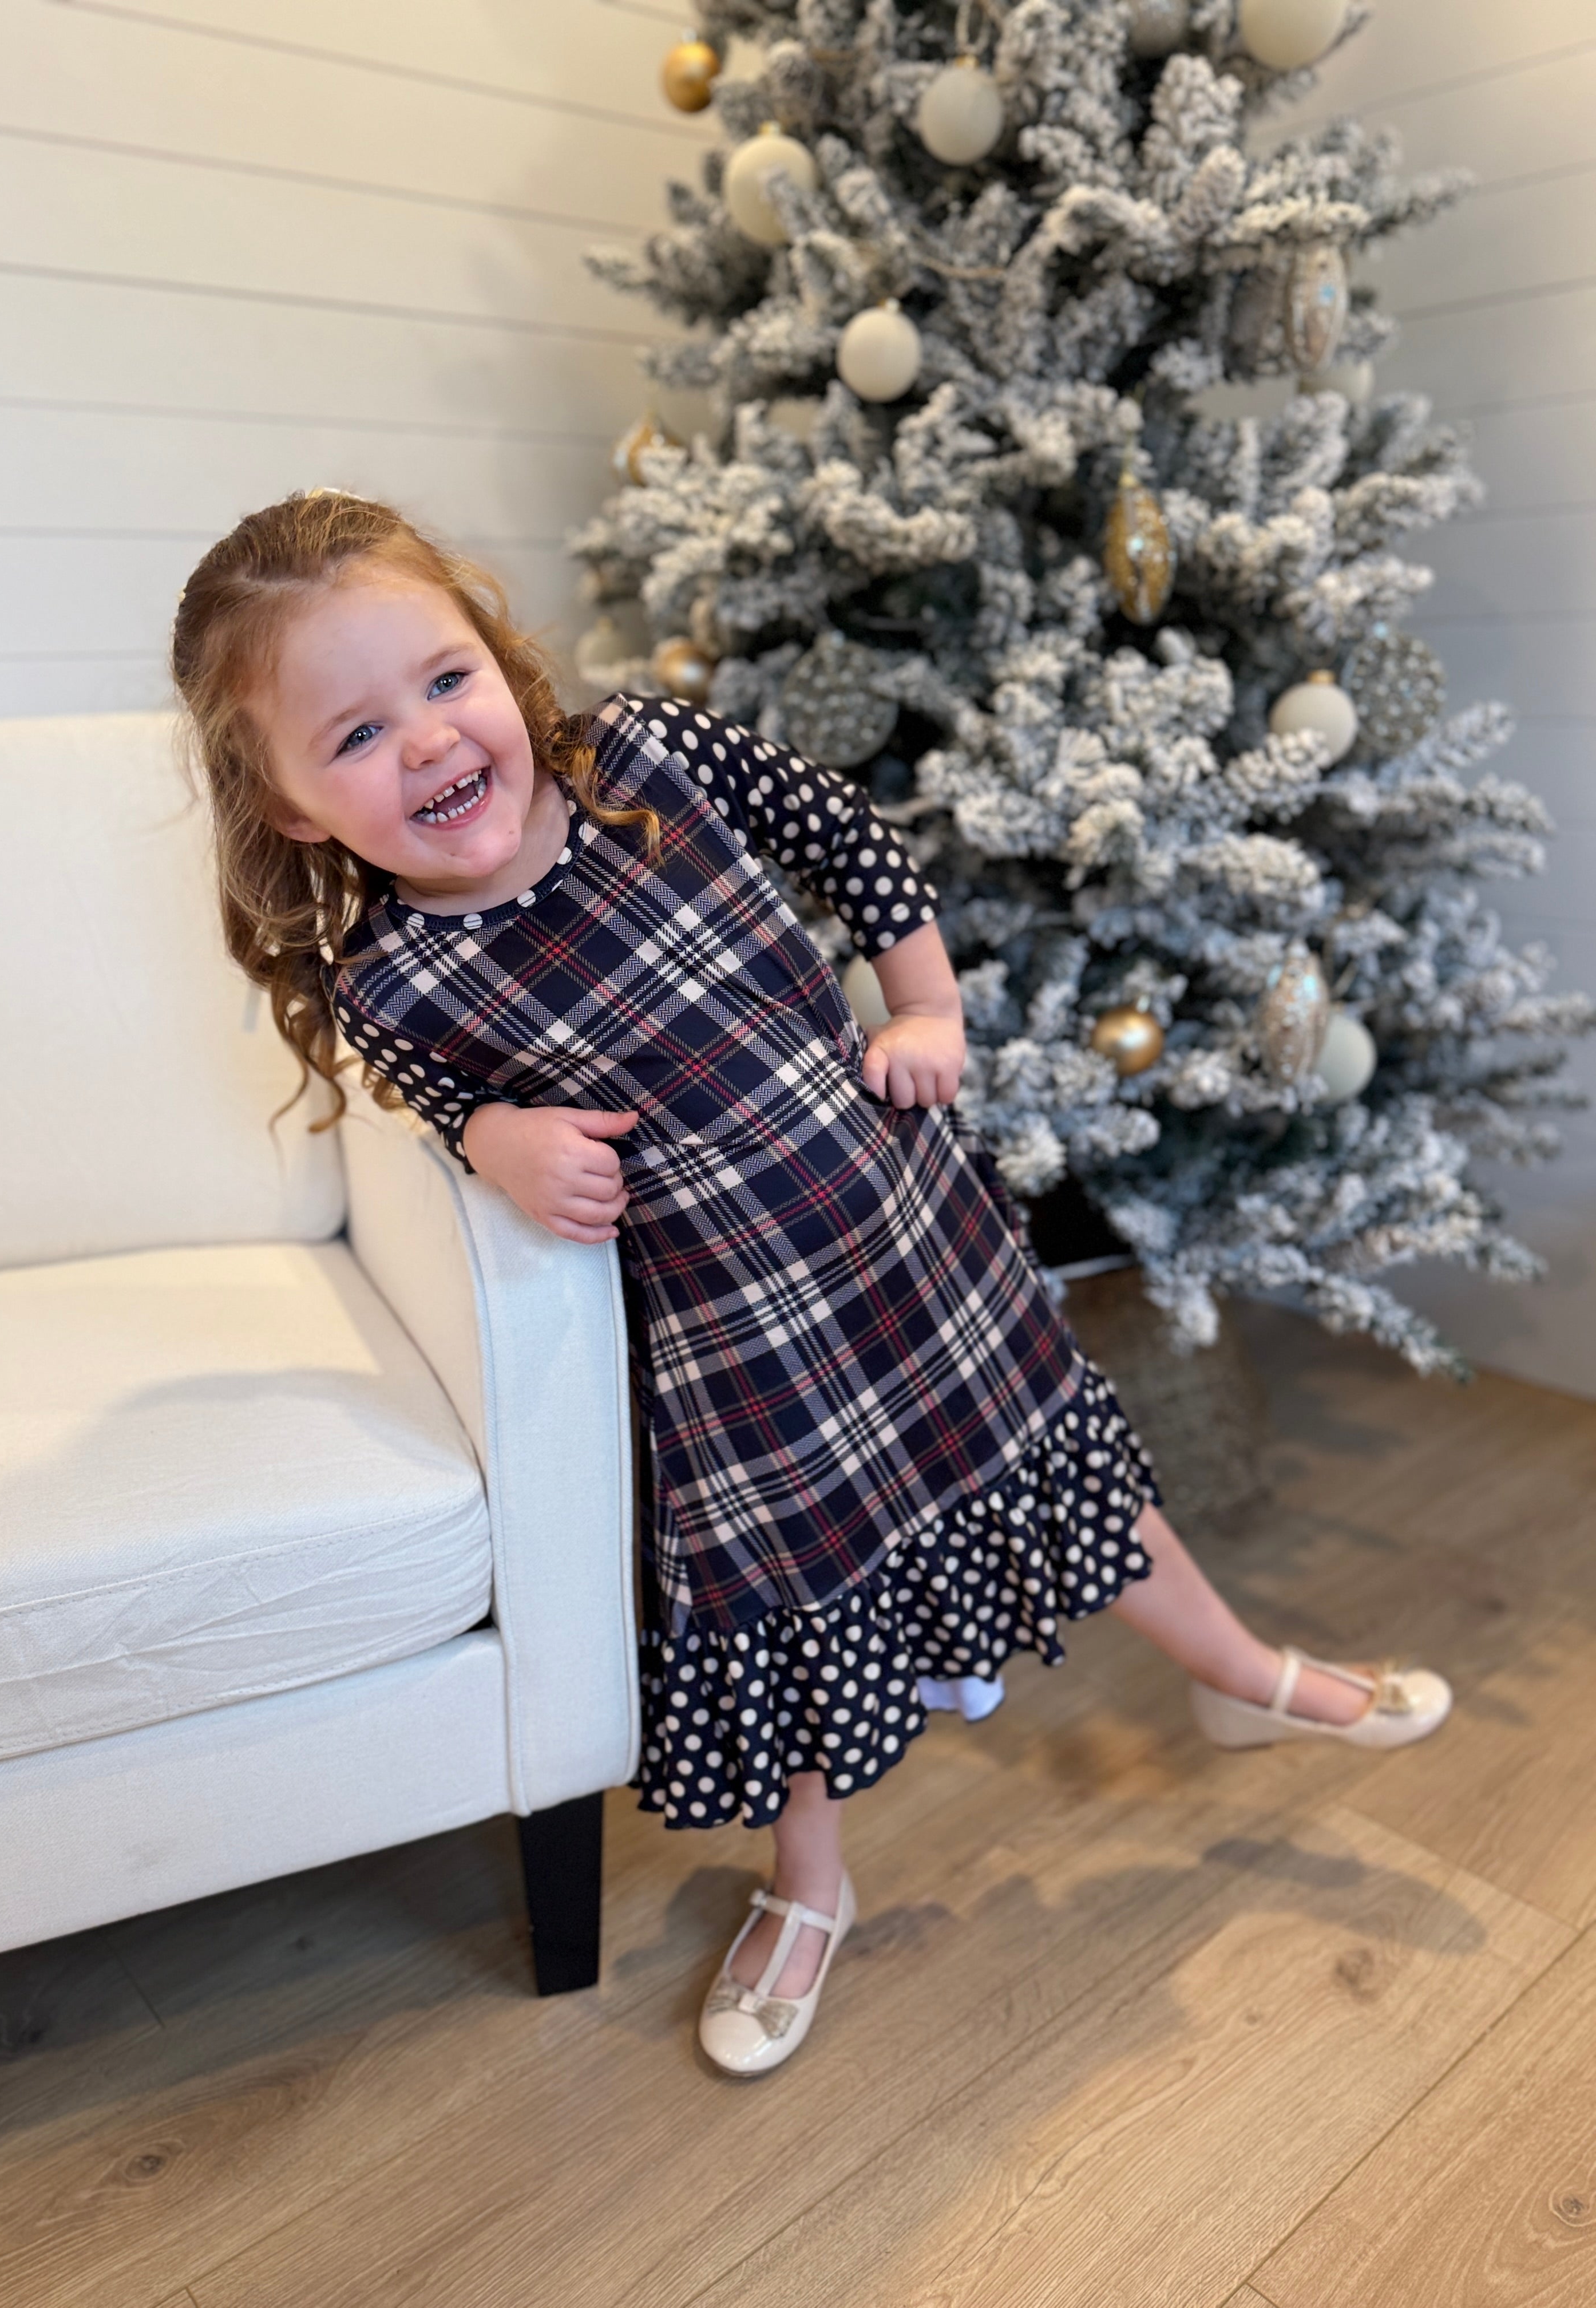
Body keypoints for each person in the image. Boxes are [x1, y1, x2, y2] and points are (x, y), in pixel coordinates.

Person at [173, 491, 1452, 2078]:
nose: (429, 740)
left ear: (496, 659)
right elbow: (432, 1096)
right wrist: (496, 1136)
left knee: (1054, 1461)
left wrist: (927, 1010)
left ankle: (1243, 1676)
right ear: (291, 806)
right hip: (734, 1344)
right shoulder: (400, 978)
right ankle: (808, 1883)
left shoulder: (647, 763)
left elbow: (849, 837)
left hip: (912, 1231)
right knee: (789, 1607)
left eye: (447, 680)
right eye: (358, 735)